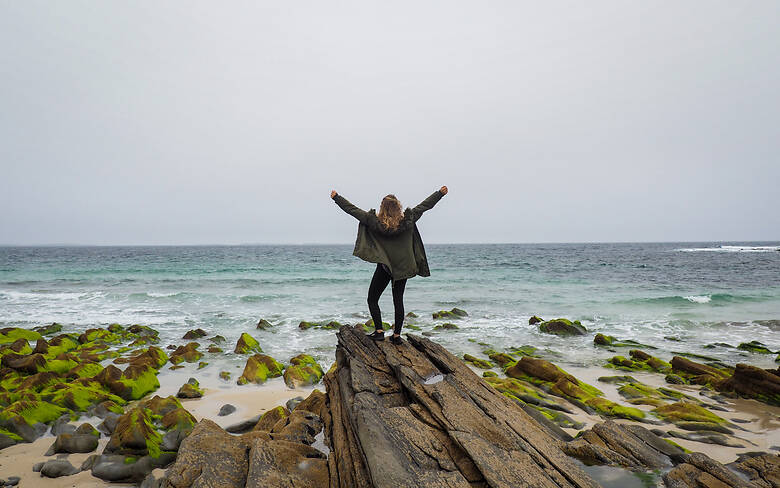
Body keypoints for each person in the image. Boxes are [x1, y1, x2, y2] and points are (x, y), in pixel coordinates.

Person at [330, 186, 448, 344]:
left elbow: (352, 210)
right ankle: (397, 336)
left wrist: (337, 197)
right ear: (398, 207)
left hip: (385, 267)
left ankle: (379, 331)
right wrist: (439, 193)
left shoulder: (375, 222)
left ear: (383, 208)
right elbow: (425, 205)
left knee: (372, 299)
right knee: (398, 300)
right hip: (403, 267)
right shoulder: (408, 220)